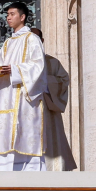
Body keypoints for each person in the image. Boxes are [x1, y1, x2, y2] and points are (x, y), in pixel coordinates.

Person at [0, 0, 46, 171]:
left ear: (22, 17)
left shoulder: (32, 39)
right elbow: (0, 65)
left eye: (12, 14)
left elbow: (38, 66)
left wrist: (14, 70)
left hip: (23, 98)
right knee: (5, 134)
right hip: (6, 96)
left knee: (24, 134)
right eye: (7, 15)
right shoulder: (7, 43)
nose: (8, 18)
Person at [32, 27, 77, 172]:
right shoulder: (16, 63)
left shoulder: (52, 63)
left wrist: (44, 81)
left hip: (47, 110)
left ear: (42, 41)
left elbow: (64, 80)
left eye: (36, 39)